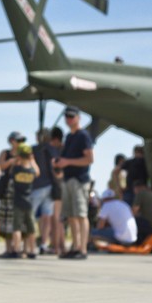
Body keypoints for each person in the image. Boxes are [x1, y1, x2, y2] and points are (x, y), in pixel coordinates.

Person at [56, 106, 94, 260]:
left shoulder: (83, 136)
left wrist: (67, 162)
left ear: (78, 118)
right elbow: (65, 158)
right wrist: (59, 163)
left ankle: (83, 249)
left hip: (79, 180)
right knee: (71, 215)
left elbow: (89, 159)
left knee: (81, 214)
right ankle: (75, 246)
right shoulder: (69, 137)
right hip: (67, 179)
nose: (69, 119)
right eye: (67, 116)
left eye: (72, 116)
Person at [0, 131, 25, 256]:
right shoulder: (5, 153)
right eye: (18, 140)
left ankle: (17, 247)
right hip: (7, 189)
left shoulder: (24, 154)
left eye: (21, 141)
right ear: (11, 141)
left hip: (20, 189)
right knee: (6, 219)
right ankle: (8, 248)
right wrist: (11, 161)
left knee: (19, 219)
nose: (19, 143)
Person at [11, 143, 40, 258]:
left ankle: (16, 249)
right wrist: (32, 161)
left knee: (17, 227)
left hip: (17, 201)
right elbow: (38, 172)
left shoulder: (16, 169)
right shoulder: (31, 171)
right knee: (31, 228)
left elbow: (11, 170)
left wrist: (17, 159)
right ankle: (32, 250)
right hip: (29, 202)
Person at [30, 129, 57, 254]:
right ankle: (43, 243)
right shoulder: (52, 149)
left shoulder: (35, 149)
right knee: (46, 217)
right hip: (49, 186)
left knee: (31, 215)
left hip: (38, 186)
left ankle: (30, 242)